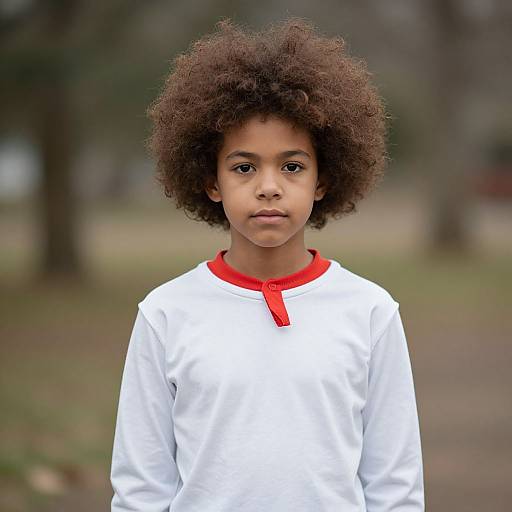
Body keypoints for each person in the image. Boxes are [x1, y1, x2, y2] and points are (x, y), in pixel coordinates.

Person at [110, 16, 425, 512]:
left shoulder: (371, 312)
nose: (269, 186)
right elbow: (141, 488)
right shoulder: (165, 313)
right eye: (243, 167)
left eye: (293, 166)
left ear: (323, 180)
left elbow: (395, 486)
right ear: (211, 182)